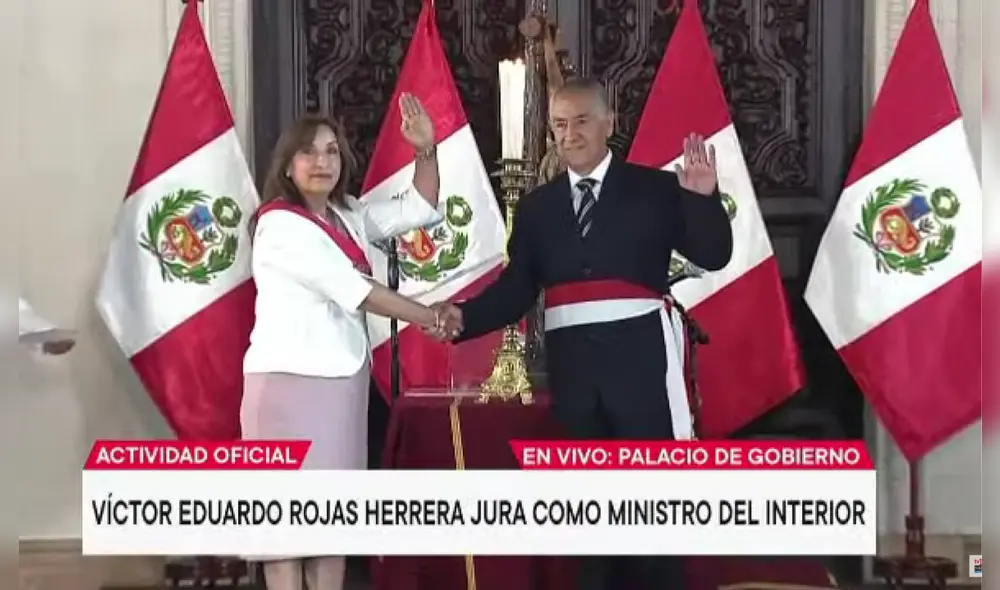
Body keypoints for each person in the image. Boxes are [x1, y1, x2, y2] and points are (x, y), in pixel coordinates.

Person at [433, 77, 733, 590]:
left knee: (649, 512)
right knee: (586, 517)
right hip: (574, 378)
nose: (569, 135)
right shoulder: (536, 208)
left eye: (581, 121)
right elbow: (516, 289)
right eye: (559, 124)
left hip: (641, 370)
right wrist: (462, 316)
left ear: (609, 123)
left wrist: (703, 199)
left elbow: (714, 254)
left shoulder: (657, 188)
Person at [242, 95, 448, 590]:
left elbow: (419, 208)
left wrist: (426, 150)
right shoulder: (280, 225)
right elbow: (356, 291)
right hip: (288, 388)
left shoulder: (347, 215)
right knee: (287, 530)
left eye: (332, 152)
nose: (322, 162)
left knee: (333, 523)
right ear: (288, 165)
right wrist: (431, 317)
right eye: (309, 153)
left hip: (340, 387)